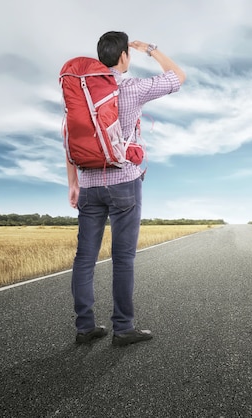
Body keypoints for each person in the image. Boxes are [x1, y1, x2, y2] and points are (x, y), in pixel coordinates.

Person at [66, 31, 186, 346]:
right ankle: (123, 328)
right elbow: (178, 77)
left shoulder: (83, 94)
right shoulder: (132, 88)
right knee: (123, 258)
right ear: (123, 57)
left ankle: (85, 328)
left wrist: (73, 184)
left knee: (84, 258)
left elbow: (68, 137)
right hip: (125, 182)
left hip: (89, 183)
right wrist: (152, 49)